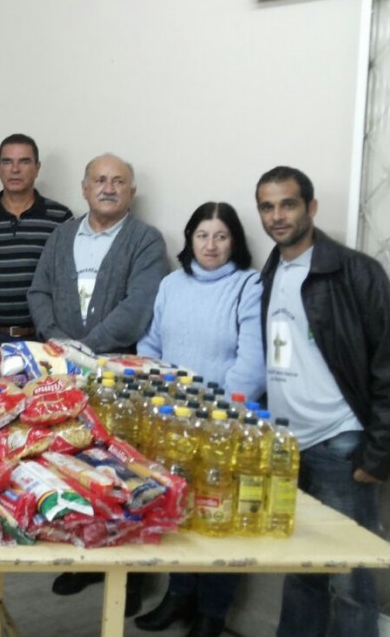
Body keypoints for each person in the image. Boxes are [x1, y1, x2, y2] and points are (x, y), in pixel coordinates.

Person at [27, 152, 168, 614]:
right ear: (84, 188)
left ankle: (126, 581)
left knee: (124, 478)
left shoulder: (146, 241)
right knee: (75, 468)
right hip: (61, 372)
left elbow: (140, 304)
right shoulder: (62, 234)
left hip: (117, 378)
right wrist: (56, 340)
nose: (108, 188)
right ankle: (82, 558)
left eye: (119, 181)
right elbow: (39, 291)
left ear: (131, 192)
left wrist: (85, 348)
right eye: (99, 180)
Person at [256, 166, 390, 637]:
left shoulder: (354, 273)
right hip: (289, 447)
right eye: (268, 206)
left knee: (350, 577)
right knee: (301, 565)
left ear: (310, 207)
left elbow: (386, 366)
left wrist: (378, 454)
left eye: (288, 204)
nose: (277, 216)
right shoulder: (272, 270)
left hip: (341, 443)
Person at [134, 202, 264, 637]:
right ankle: (179, 595)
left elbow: (251, 359)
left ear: (235, 242)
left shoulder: (249, 285)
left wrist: (222, 413)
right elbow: (150, 344)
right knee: (177, 511)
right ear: (190, 239)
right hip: (172, 419)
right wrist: (158, 399)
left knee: (217, 518)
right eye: (202, 235)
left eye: (221, 236)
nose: (211, 245)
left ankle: (213, 612)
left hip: (225, 423)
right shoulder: (172, 284)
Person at [0, 133, 72, 345]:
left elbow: (67, 282)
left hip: (41, 337)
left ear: (37, 167)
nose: (15, 169)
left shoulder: (61, 218)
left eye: (24, 161)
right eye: (7, 162)